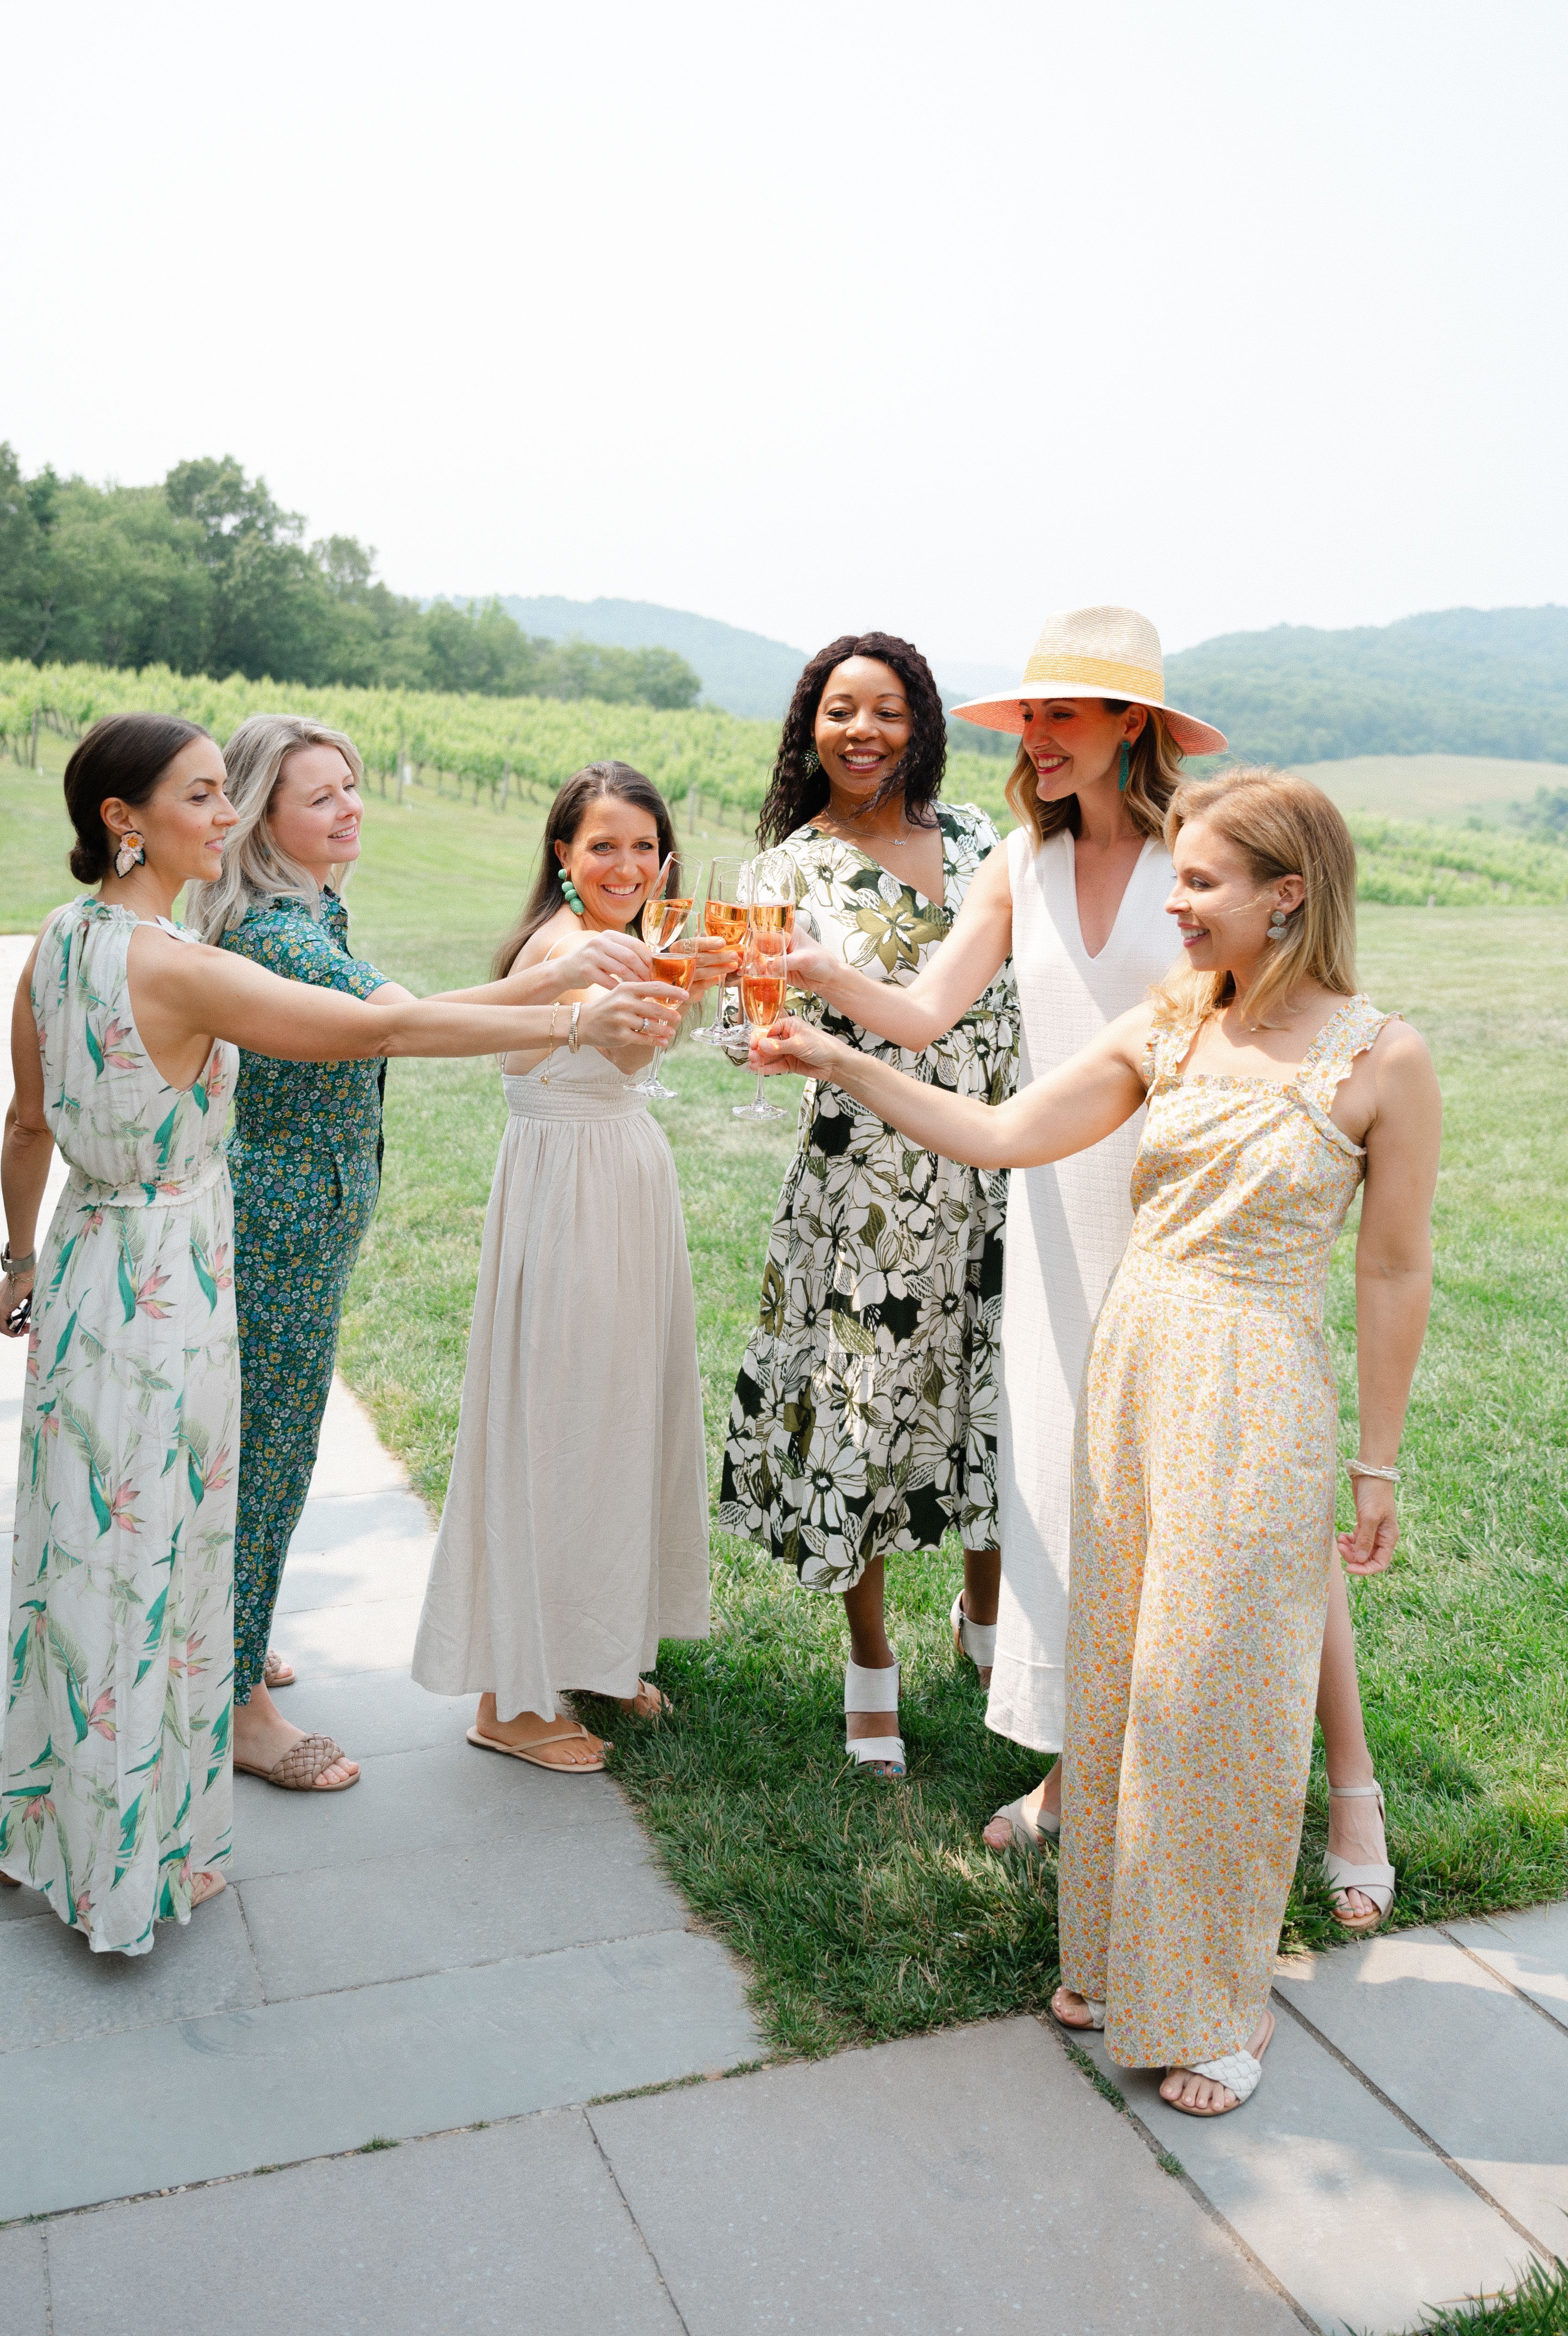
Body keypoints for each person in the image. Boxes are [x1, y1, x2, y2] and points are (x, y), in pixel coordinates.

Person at [0, 715, 681, 1951]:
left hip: (83, 1269)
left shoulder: (62, 941)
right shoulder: (182, 962)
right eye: (206, 797)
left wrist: (15, 1262)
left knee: (83, 1558)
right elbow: (381, 1030)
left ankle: (30, 1796)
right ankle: (105, 1847)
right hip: (168, 1285)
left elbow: (23, 1123)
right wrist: (573, 1019)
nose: (227, 816)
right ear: (127, 819)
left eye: (230, 795)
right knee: (159, 1556)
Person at [753, 768, 1440, 2115]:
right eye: (1174, 876)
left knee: (1219, 1704)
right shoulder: (1171, 1022)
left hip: (1259, 1391)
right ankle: (1121, 1957)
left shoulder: (1382, 1058)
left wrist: (1377, 1463)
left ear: (1286, 894)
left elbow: (1395, 1271)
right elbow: (1006, 1134)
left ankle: (1221, 2003)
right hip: (1135, 1374)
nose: (1175, 905)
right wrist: (838, 1054)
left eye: (1203, 883)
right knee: (1124, 1683)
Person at [788, 608, 1397, 1928]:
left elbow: (1283, 1018)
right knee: (1085, 1494)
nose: (1037, 740)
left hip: (1201, 1212)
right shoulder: (1021, 859)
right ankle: (1084, 1768)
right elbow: (924, 1014)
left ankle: (1351, 1783)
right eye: (1029, 720)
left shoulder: (1209, 859)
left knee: (1265, 1520)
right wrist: (815, 977)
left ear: (1135, 727)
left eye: (1064, 715)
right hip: (1056, 1198)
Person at [187, 715, 669, 1794]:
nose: (349, 805)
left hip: (313, 1213)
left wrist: (560, 999)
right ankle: (236, 1711)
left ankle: (232, 1633)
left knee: (274, 1442)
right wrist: (567, 1014)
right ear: (261, 814)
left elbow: (411, 1016)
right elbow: (398, 1029)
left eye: (351, 786)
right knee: (264, 1450)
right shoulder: (277, 934)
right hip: (279, 1221)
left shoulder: (315, 912)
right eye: (319, 796)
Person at [717, 634, 1020, 1779]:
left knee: (996, 1405)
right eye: (839, 711)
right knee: (867, 1417)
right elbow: (747, 1027)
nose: (861, 733)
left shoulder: (984, 841)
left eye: (884, 712)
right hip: (866, 1186)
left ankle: (989, 1630)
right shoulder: (785, 869)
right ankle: (869, 1668)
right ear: (810, 729)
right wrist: (763, 1042)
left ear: (920, 725)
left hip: (1001, 1162)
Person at [412, 763, 714, 1772]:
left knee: (614, 1419)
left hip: (619, 1181)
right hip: (570, 1195)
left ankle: (594, 1646)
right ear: (562, 857)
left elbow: (632, 1063)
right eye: (603, 847)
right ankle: (510, 1697)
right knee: (560, 1427)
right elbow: (445, 1023)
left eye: (643, 848)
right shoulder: (561, 948)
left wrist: (687, 976)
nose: (625, 866)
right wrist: (670, 980)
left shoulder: (628, 949)